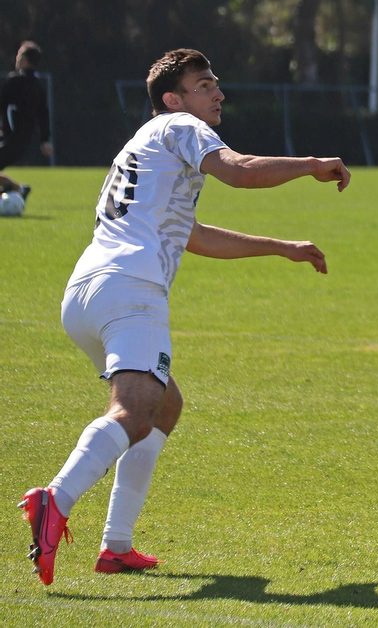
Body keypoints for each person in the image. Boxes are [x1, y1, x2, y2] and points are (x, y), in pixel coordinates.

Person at [18, 49, 349, 586]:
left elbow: (190, 235)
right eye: (204, 85)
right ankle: (55, 499)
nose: (217, 93)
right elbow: (238, 172)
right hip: (132, 289)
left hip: (86, 293)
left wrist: (279, 247)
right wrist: (311, 165)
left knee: (164, 404)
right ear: (173, 99)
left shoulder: (145, 146)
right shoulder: (179, 127)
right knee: (134, 408)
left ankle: (115, 546)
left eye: (216, 84)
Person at [0, 41, 53, 197]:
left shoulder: (14, 81)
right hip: (22, 141)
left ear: (23, 59)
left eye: (18, 54)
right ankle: (20, 190)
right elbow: (43, 114)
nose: (16, 58)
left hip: (10, 139)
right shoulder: (38, 86)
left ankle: (18, 189)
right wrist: (45, 140)